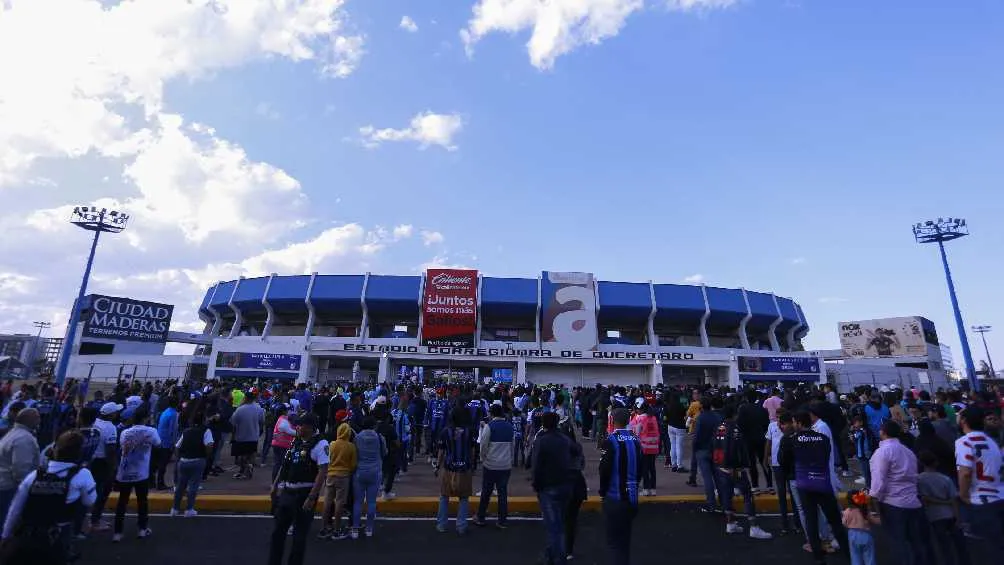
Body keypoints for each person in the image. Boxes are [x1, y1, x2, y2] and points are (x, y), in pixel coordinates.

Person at [0, 431, 97, 565]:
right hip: (58, 535)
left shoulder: (34, 475)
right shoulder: (82, 475)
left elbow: (15, 509)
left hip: (27, 535)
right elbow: (89, 501)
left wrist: (5, 536)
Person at [780, 409, 849, 564]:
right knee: (835, 520)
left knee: (811, 521)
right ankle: (849, 554)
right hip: (822, 482)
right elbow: (827, 455)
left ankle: (818, 557)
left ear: (798, 423)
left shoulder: (792, 440)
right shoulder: (823, 438)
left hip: (804, 484)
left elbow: (785, 461)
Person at [870, 420, 934, 565]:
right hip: (913, 502)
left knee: (899, 544)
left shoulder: (882, 452)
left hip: (893, 503)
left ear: (882, 432)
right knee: (916, 543)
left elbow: (879, 480)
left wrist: (873, 499)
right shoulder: (908, 452)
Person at [268, 414, 328, 565]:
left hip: (304, 494)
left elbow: (322, 471)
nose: (297, 428)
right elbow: (285, 465)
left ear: (310, 427)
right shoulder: (296, 441)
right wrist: (275, 485)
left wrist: (312, 497)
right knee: (277, 533)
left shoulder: (320, 444)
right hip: (287, 492)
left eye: (300, 425)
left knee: (299, 537)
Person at [712, 403, 772, 539]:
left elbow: (715, 447)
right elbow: (731, 448)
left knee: (727, 496)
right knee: (747, 496)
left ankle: (730, 523)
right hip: (734, 468)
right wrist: (735, 466)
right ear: (734, 414)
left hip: (721, 467)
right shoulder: (735, 429)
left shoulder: (719, 427)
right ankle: (754, 527)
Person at [954, 406, 1004, 551]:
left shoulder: (964, 442)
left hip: (981, 500)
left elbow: (965, 472)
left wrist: (963, 495)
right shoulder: (991, 442)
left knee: (992, 550)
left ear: (964, 420)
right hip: (998, 494)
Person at [599, 407, 641, 565]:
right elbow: (640, 469)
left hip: (614, 497)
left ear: (612, 421)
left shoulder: (611, 441)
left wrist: (603, 492)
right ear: (629, 421)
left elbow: (604, 470)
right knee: (625, 543)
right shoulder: (636, 440)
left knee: (614, 544)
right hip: (631, 497)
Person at [113, 405, 161, 542]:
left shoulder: (125, 432)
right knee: (142, 502)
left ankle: (117, 532)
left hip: (125, 472)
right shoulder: (151, 431)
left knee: (122, 502)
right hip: (141, 473)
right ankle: (142, 528)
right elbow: (158, 444)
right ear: (146, 418)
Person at [532, 411, 572, 565]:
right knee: (558, 523)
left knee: (553, 526)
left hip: (548, 487)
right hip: (565, 485)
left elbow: (536, 466)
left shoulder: (541, 441)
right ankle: (551, 553)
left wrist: (536, 484)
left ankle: (558, 558)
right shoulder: (565, 439)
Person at [917, 451, 970, 565]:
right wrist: (958, 517)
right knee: (959, 545)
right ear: (936, 463)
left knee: (944, 546)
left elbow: (925, 498)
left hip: (934, 516)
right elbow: (954, 499)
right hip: (950, 514)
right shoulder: (945, 478)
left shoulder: (919, 479)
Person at [0, 408, 40, 533]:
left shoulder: (13, 433)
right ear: (30, 420)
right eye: (37, 417)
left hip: (5, 484)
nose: (39, 420)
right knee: (6, 525)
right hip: (9, 488)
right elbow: (20, 470)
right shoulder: (24, 439)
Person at [436, 407, 473, 534]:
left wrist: (437, 466)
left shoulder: (445, 431)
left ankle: (441, 525)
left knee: (444, 496)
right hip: (464, 469)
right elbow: (472, 450)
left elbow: (441, 451)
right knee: (463, 498)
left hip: (449, 469)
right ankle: (461, 526)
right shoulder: (469, 431)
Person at [476, 403, 513, 528]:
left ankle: (481, 517)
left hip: (491, 465)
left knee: (486, 492)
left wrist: (483, 458)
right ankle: (502, 520)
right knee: (502, 493)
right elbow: (512, 447)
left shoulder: (489, 426)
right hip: (505, 465)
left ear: (491, 414)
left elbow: (483, 446)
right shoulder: (509, 426)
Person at [318, 421, 356, 540]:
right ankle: (336, 529)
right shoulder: (351, 446)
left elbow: (327, 458)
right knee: (340, 503)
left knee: (327, 502)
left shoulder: (332, 444)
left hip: (330, 475)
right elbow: (353, 464)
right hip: (343, 476)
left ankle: (324, 528)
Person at [171, 411, 213, 517]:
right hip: (198, 460)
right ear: (203, 420)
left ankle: (175, 509)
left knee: (180, 486)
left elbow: (177, 447)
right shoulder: (206, 430)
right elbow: (209, 445)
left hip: (184, 461)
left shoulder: (186, 431)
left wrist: (179, 458)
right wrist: (205, 456)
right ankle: (189, 509)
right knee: (193, 486)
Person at [88, 402, 121, 533]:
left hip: (91, 460)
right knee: (103, 493)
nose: (117, 414)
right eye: (116, 412)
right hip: (103, 463)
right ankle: (95, 521)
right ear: (111, 414)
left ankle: (94, 518)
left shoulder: (94, 422)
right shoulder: (110, 428)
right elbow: (111, 450)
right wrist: (113, 467)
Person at [351, 417, 385, 539]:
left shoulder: (357, 437)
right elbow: (384, 453)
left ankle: (355, 529)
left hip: (360, 471)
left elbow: (354, 453)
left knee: (358, 502)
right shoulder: (380, 438)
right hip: (375, 471)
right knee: (371, 502)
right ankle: (369, 529)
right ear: (373, 426)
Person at [563, 425, 588, 560]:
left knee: (562, 518)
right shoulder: (578, 447)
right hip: (578, 483)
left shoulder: (561, 447)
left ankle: (562, 548)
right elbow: (582, 464)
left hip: (565, 483)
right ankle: (569, 550)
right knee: (572, 519)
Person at [229, 392, 264, 480]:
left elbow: (233, 422)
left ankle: (243, 471)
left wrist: (233, 436)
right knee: (251, 453)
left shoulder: (240, 409)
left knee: (242, 455)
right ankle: (249, 467)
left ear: (245, 398)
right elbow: (262, 422)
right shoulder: (259, 408)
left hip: (241, 436)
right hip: (254, 436)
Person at [629, 401, 660, 496]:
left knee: (644, 469)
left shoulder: (640, 419)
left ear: (641, 409)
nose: (636, 410)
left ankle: (646, 489)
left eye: (637, 409)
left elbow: (635, 432)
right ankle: (653, 489)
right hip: (654, 446)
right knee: (652, 468)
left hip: (644, 447)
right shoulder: (653, 418)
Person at [842, 490, 879, 565]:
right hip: (866, 535)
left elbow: (844, 523)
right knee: (869, 557)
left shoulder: (847, 512)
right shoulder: (864, 511)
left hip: (852, 535)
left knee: (855, 557)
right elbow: (875, 521)